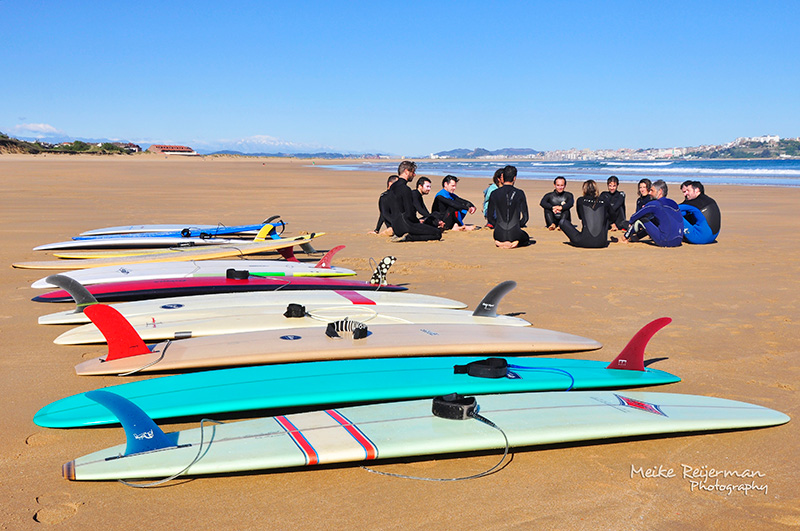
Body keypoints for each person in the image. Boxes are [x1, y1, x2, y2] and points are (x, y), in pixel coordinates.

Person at [386, 161, 442, 242]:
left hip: (396, 226)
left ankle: (404, 235)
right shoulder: (406, 189)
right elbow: (409, 213)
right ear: (406, 171)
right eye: (413, 172)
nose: (414, 175)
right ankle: (408, 237)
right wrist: (417, 222)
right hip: (406, 225)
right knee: (437, 233)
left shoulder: (392, 187)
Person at [621, 179, 682, 247]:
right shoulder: (673, 203)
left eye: (652, 190)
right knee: (655, 220)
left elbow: (635, 216)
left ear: (660, 191)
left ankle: (624, 238)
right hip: (678, 240)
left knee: (641, 220)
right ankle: (637, 237)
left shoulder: (655, 204)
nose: (649, 193)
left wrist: (631, 222)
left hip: (665, 241)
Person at [487, 165, 532, 248]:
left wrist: (497, 226)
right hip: (515, 233)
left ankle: (500, 243)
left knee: (502, 234)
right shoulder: (520, 193)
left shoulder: (494, 193)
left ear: (502, 177)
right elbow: (525, 217)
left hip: (498, 234)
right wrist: (518, 226)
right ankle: (515, 243)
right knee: (525, 237)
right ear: (514, 178)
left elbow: (490, 217)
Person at [559, 179, 610, 248]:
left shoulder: (580, 200)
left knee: (562, 222)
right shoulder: (604, 201)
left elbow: (580, 216)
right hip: (602, 243)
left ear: (584, 189)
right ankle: (600, 237)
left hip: (584, 242)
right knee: (606, 216)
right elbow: (613, 216)